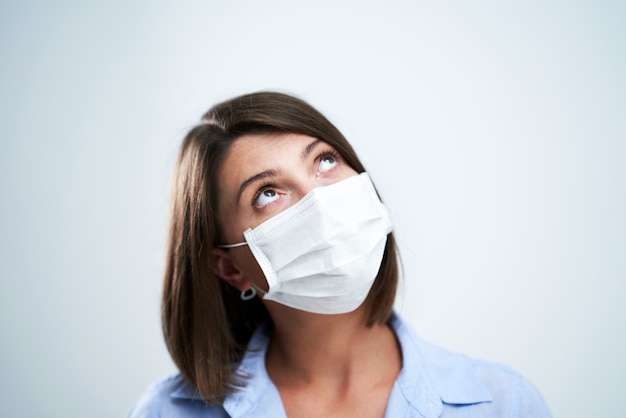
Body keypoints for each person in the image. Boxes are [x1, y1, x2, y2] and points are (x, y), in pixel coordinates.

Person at [128, 92, 552, 417]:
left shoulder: (503, 403)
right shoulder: (167, 411)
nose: (320, 203)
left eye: (325, 161)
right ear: (229, 267)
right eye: (268, 193)